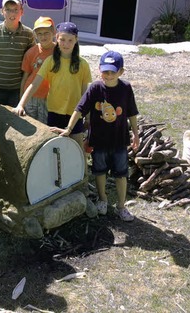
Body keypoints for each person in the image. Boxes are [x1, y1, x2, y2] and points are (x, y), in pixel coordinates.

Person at [54, 51, 140, 221]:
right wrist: (68, 129)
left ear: (121, 72)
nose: (108, 76)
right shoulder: (95, 88)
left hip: (119, 141)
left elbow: (132, 113)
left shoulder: (125, 89)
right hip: (99, 141)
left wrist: (136, 134)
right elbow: (79, 109)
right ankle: (103, 200)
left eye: (112, 72)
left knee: (121, 173)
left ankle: (121, 207)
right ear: (99, 69)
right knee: (99, 171)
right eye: (105, 71)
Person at [13, 22, 91, 149]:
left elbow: (85, 93)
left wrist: (87, 116)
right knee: (54, 149)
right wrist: (21, 104)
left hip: (75, 114)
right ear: (57, 38)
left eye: (70, 40)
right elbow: (34, 84)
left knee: (77, 150)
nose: (66, 44)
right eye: (62, 39)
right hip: (54, 112)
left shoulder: (83, 64)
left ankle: (81, 170)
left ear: (76, 40)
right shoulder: (50, 62)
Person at [0, 0, 35, 106]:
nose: (12, 14)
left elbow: (30, 63)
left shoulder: (28, 34)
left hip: (16, 89)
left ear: (22, 11)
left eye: (15, 10)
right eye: (8, 10)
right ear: (2, 11)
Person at [20, 16, 56, 123]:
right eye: (39, 33)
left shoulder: (59, 51)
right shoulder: (31, 52)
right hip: (31, 97)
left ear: (53, 33)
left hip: (48, 97)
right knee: (28, 124)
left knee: (45, 126)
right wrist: (21, 99)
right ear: (35, 35)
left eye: (46, 33)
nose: (43, 36)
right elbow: (25, 77)